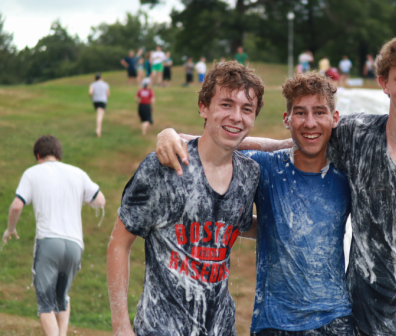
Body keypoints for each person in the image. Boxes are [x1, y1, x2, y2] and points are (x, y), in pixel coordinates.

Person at [156, 32, 396, 336]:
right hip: (360, 316)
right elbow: (288, 143)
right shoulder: (356, 136)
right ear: (384, 83)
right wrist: (177, 136)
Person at [107, 61, 264, 336]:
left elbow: (235, 224)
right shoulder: (165, 167)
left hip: (221, 328)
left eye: (246, 109)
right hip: (161, 328)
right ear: (203, 107)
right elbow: (119, 243)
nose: (237, 117)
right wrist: (121, 327)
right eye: (226, 104)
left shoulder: (249, 175)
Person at [3, 135, 105, 336]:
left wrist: (10, 228)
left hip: (49, 243)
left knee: (46, 303)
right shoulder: (77, 173)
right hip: (75, 245)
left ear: (38, 155)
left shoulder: (32, 173)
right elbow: (100, 200)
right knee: (62, 298)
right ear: (59, 155)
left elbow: (16, 205)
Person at [88, 73, 110, 138]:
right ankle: (98, 129)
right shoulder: (105, 84)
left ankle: (98, 129)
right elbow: (108, 94)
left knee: (98, 114)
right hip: (102, 101)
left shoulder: (93, 84)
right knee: (100, 116)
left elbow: (90, 92)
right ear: (101, 78)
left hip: (95, 101)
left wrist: (92, 98)